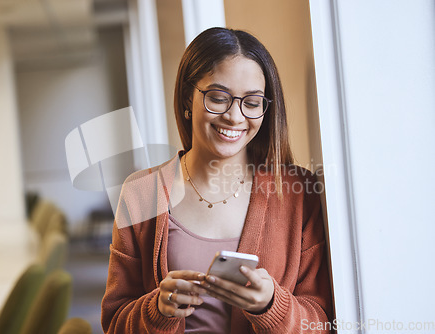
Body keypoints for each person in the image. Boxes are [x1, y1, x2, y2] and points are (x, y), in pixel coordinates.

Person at [101, 27, 333, 333]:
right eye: (218, 98)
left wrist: (270, 306)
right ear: (188, 98)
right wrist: (157, 309)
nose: (235, 117)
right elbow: (115, 322)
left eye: (251, 103)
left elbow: (322, 322)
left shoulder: (298, 193)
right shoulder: (141, 193)